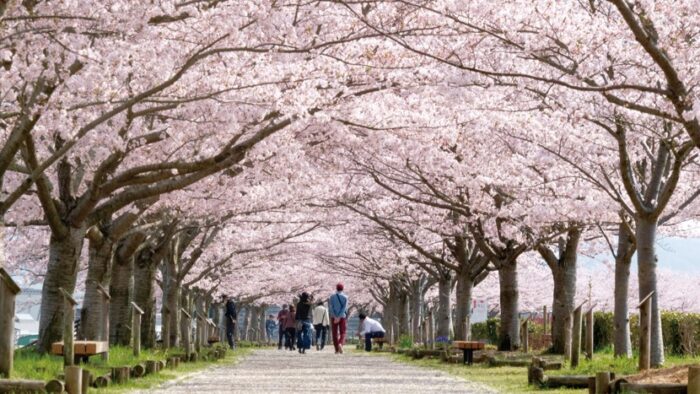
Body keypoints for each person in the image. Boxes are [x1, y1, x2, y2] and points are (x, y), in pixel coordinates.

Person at [329, 282, 348, 354]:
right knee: (342, 332)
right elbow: (344, 308)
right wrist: (339, 316)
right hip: (342, 317)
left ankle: (336, 349)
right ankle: (340, 343)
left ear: (336, 288)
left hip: (333, 317)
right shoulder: (345, 297)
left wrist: (335, 316)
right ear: (342, 289)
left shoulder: (332, 296)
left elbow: (331, 307)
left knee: (334, 333)